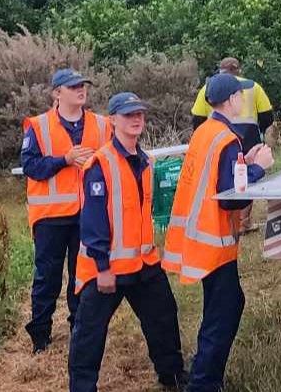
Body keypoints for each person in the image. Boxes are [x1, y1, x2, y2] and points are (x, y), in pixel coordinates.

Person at [164, 74, 276, 392]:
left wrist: (245, 161)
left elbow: (219, 174)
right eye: (240, 96)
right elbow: (231, 196)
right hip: (215, 243)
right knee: (224, 310)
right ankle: (203, 382)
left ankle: (205, 376)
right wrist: (259, 168)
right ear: (230, 100)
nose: (243, 100)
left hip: (201, 239)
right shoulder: (227, 138)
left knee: (223, 305)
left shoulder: (206, 133)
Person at [68, 92, 185, 392]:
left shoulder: (144, 162)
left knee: (163, 317)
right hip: (107, 268)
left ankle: (171, 375)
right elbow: (93, 220)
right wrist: (102, 266)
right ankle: (82, 386)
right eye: (129, 115)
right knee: (90, 332)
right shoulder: (100, 163)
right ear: (113, 120)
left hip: (144, 263)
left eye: (140, 115)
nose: (136, 120)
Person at [20, 68, 110, 354]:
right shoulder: (38, 125)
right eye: (73, 87)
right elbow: (31, 167)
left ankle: (79, 330)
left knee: (81, 276)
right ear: (57, 93)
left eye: (83, 85)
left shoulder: (102, 124)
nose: (80, 90)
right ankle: (40, 336)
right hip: (50, 217)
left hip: (88, 214)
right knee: (47, 277)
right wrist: (64, 160)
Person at [191, 57, 274, 151]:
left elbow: (197, 121)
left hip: (218, 139)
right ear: (239, 71)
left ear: (220, 71)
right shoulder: (254, 87)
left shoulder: (207, 88)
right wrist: (260, 131)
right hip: (250, 139)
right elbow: (267, 117)